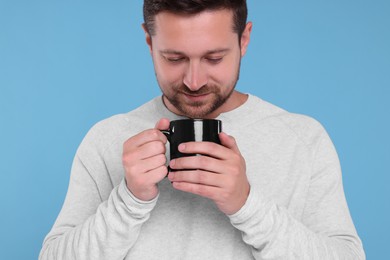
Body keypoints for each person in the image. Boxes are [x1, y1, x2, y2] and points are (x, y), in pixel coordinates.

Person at [39, 0, 365, 259]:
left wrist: (246, 204)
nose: (193, 81)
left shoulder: (303, 140)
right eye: (174, 58)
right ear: (149, 41)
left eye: (214, 58)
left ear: (245, 39)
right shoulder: (107, 139)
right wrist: (129, 200)